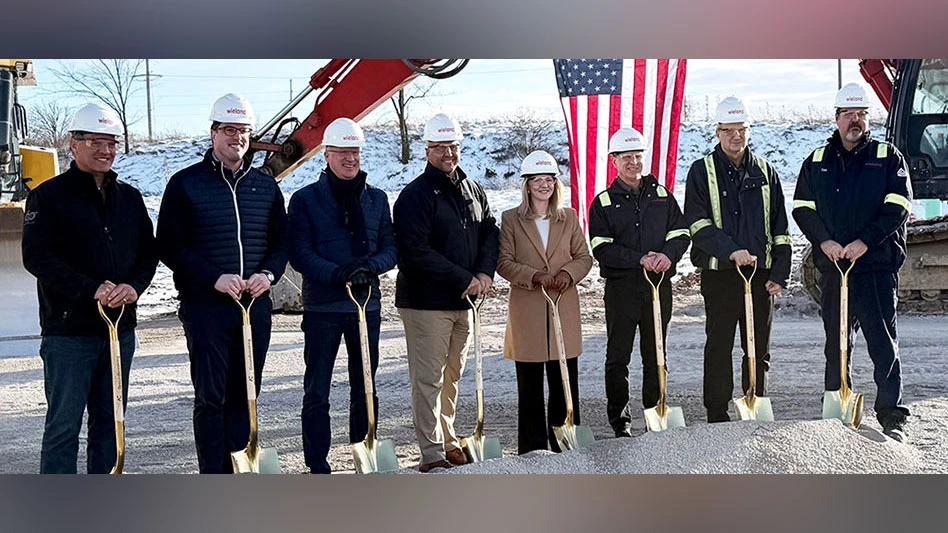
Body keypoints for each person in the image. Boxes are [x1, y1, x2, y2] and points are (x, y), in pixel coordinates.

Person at [22, 103, 159, 473]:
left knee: (111, 425)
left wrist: (134, 287)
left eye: (112, 142)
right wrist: (91, 289)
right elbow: (37, 257)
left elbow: (149, 252)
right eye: (96, 141)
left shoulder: (129, 198)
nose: (106, 150)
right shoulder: (48, 197)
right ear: (74, 144)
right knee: (63, 428)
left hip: (119, 330)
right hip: (69, 333)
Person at [156, 93, 288, 473]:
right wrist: (214, 278)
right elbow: (170, 245)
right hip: (207, 307)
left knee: (247, 392)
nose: (237, 138)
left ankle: (241, 469)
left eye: (243, 131)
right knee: (211, 397)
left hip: (254, 307)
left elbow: (283, 240)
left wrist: (268, 274)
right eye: (229, 130)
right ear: (213, 133)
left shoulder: (264, 186)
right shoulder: (185, 184)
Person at [792, 82, 912, 442]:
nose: (855, 121)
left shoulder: (887, 157)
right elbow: (802, 208)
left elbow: (899, 207)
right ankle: (837, 406)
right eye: (848, 114)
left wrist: (864, 242)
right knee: (837, 342)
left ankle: (892, 416)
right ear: (836, 118)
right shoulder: (817, 161)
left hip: (874, 266)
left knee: (882, 342)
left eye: (861, 114)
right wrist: (824, 241)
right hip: (834, 267)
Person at [287, 117, 397, 473]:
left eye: (355, 152)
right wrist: (338, 273)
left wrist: (368, 268)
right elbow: (301, 253)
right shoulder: (305, 200)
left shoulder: (377, 200)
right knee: (317, 389)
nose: (350, 159)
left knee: (365, 384)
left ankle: (363, 454)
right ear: (327, 155)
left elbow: (391, 249)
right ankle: (317, 463)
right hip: (323, 308)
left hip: (366, 305)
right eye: (342, 153)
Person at [392, 113, 500, 472]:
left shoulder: (472, 189)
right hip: (426, 303)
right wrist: (463, 278)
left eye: (452, 146)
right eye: (439, 147)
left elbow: (489, 231)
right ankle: (431, 451)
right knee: (429, 378)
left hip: (464, 301)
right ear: (427, 150)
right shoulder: (414, 196)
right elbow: (415, 251)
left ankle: (449, 438)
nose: (447, 153)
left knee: (452, 375)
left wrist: (484, 272)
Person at [683, 96, 792, 423]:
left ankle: (754, 403)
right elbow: (696, 224)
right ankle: (716, 412)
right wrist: (730, 250)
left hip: (760, 277)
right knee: (718, 347)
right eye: (728, 130)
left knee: (758, 349)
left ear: (749, 130)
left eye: (741, 130)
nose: (736, 137)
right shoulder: (701, 172)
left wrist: (780, 272)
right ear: (717, 132)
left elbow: (780, 227)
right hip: (720, 275)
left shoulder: (766, 171)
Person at [588, 128, 691, 437]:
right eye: (626, 157)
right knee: (618, 357)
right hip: (621, 289)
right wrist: (639, 258)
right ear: (614, 161)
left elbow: (681, 232)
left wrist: (668, 256)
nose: (634, 163)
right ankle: (620, 423)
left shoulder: (662, 196)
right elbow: (600, 247)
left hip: (658, 287)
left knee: (656, 353)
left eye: (638, 156)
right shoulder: (603, 202)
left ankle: (654, 414)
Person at [496, 150, 592, 453]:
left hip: (562, 307)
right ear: (526, 185)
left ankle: (564, 443)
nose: (544, 186)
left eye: (549, 180)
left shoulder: (569, 217)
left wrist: (568, 273)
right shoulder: (511, 219)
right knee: (530, 387)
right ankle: (532, 447)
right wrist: (534, 275)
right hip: (529, 310)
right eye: (537, 180)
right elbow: (504, 263)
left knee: (564, 382)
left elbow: (584, 256)